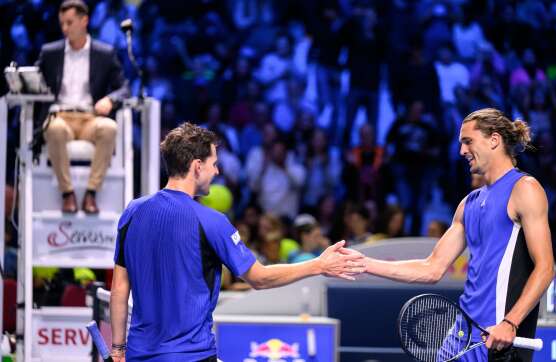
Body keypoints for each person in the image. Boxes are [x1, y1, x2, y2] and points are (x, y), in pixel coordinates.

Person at [109, 123, 364, 361]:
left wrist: (118, 348)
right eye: (214, 164)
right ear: (197, 166)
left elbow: (119, 287)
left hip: (138, 354)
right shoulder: (211, 221)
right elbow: (259, 278)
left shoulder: (132, 212)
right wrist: (318, 265)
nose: (217, 171)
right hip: (191, 355)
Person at [351, 109, 555, 361]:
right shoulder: (467, 205)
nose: (462, 151)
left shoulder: (525, 189)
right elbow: (431, 268)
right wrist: (363, 263)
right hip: (460, 335)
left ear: (494, 140)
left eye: (468, 141)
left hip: (498, 340)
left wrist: (510, 323)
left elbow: (545, 268)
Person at [36, 0, 130, 213]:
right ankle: (67, 193)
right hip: (61, 116)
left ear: (84, 20)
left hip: (91, 117)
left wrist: (110, 99)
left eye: (69, 22)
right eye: (62, 23)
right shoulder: (50, 52)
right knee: (54, 128)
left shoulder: (104, 53)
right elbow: (36, 80)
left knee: (109, 128)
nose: (65, 28)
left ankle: (91, 192)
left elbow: (124, 87)